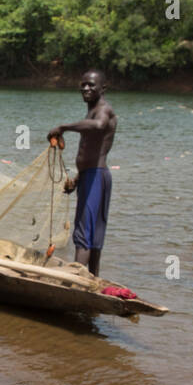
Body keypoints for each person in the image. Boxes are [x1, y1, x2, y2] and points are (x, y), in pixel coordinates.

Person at [48, 70, 116, 276]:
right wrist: (78, 179)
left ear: (103, 88)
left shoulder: (103, 111)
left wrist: (63, 127)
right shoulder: (92, 111)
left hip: (96, 176)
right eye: (83, 84)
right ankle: (94, 279)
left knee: (84, 233)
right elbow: (92, 150)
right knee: (93, 233)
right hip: (91, 176)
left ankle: (76, 281)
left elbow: (98, 126)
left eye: (91, 85)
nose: (86, 88)